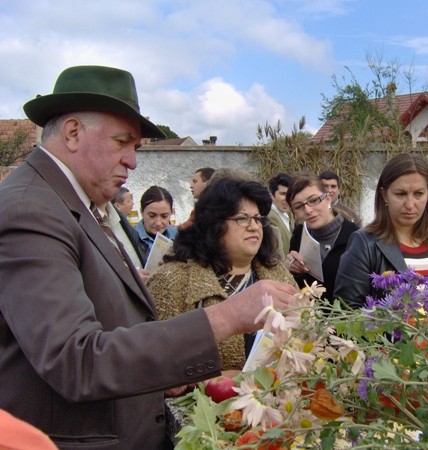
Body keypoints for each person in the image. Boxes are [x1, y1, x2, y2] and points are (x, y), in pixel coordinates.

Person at [0, 65, 296, 449]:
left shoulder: (72, 204)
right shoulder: (32, 210)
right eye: (122, 142)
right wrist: (226, 317)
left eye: (136, 148)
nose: (132, 161)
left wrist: (160, 375)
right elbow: (75, 361)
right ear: (72, 132)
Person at [147, 177, 296, 371]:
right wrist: (210, 380)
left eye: (258, 219)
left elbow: (306, 339)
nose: (254, 226)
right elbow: (154, 358)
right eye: (242, 218)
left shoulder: (277, 273)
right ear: (213, 224)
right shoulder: (173, 280)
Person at [334, 154, 428, 308]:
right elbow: (347, 312)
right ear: (384, 195)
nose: (410, 204)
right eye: (400, 194)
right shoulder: (365, 244)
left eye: (419, 194)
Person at [284, 173, 359, 302]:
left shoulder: (355, 237)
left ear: (328, 198)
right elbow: (297, 289)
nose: (308, 210)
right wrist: (292, 269)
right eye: (299, 206)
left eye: (314, 200)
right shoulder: (299, 235)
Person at [135, 185, 178, 259]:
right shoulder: (131, 238)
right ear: (142, 212)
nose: (158, 223)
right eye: (152, 216)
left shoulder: (177, 235)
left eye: (164, 216)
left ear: (171, 213)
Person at [267, 172, 294, 257]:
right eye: (283, 194)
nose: (287, 199)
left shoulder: (288, 214)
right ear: (272, 195)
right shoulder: (270, 218)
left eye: (289, 194)